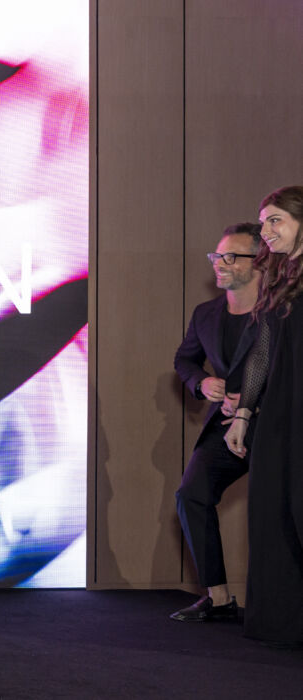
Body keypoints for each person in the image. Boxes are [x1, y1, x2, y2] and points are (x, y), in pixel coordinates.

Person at [170, 223, 261, 622]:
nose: (219, 264)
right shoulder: (205, 313)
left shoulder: (282, 312)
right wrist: (201, 382)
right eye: (216, 256)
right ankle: (219, 598)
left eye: (230, 256)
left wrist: (253, 401)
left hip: (274, 427)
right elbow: (184, 360)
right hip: (223, 428)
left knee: (279, 511)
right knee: (191, 495)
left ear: (260, 262)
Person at [225, 186, 303, 648]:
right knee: (272, 509)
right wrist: (244, 415)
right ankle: (283, 624)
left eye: (275, 220)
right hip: (279, 411)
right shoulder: (279, 277)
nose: (266, 231)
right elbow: (262, 351)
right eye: (263, 222)